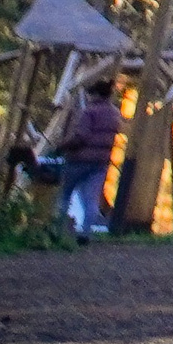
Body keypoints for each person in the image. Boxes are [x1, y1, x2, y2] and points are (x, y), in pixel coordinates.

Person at [51, 76, 122, 243]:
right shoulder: (114, 113)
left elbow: (81, 137)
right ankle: (85, 233)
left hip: (79, 160)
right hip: (101, 162)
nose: (89, 97)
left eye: (91, 94)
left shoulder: (89, 112)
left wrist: (62, 146)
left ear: (96, 94)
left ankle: (56, 231)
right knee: (91, 199)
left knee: (65, 195)